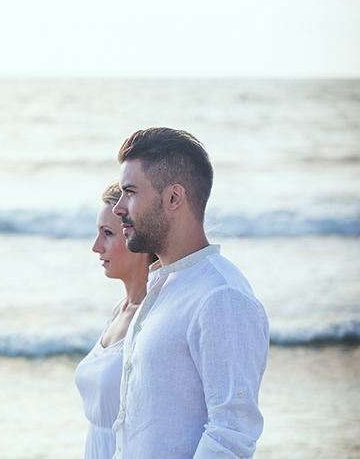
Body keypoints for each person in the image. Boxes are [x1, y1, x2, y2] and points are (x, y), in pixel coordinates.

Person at [110, 127, 269, 459]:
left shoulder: (220, 295)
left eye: (131, 192)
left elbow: (232, 435)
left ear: (173, 198)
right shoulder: (163, 286)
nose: (119, 208)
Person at [74, 182, 156, 459]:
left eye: (107, 234)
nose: (96, 247)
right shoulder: (119, 310)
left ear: (138, 238)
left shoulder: (155, 319)